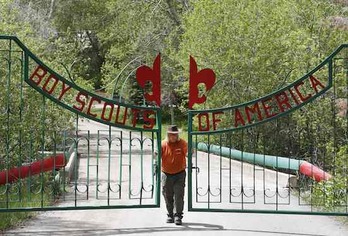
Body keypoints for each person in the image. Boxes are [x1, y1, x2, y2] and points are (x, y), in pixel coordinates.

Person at [161, 125, 188, 225]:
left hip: (179, 174)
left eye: (175, 135)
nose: (174, 137)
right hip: (166, 174)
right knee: (167, 195)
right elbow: (157, 155)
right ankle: (170, 214)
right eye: (172, 135)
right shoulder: (163, 144)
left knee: (178, 195)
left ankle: (178, 216)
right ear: (168, 135)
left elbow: (188, 152)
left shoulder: (182, 143)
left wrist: (190, 150)